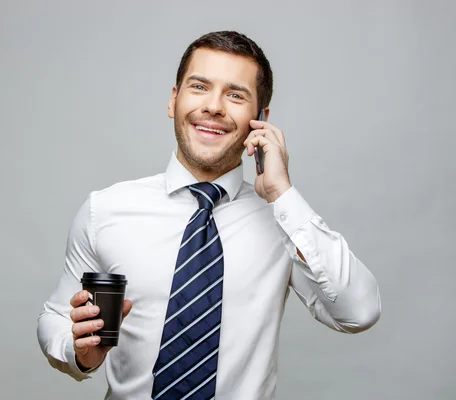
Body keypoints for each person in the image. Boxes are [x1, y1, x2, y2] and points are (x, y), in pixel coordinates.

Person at [37, 30, 381, 399]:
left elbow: (358, 312)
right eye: (199, 87)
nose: (214, 106)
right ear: (174, 100)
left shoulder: (284, 222)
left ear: (260, 119)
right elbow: (55, 318)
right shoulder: (105, 209)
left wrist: (282, 195)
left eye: (235, 95)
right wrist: (79, 353)